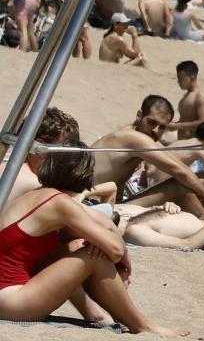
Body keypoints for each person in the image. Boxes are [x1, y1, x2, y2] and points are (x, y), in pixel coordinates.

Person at [0, 143, 188, 337]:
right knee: (94, 256)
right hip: (11, 302)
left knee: (79, 245)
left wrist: (98, 244)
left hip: (8, 294)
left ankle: (106, 316)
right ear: (85, 172)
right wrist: (123, 262)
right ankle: (141, 325)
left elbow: (100, 228)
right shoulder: (59, 203)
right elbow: (114, 249)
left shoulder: (38, 194)